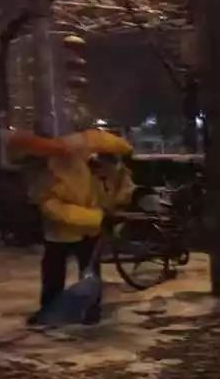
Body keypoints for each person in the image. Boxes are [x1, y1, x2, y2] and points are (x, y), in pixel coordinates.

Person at [13, 129, 133, 325]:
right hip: (61, 233)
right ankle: (50, 311)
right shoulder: (43, 178)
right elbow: (53, 208)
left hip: (88, 230)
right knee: (54, 273)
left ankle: (90, 310)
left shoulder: (83, 159)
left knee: (89, 271)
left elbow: (115, 151)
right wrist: (96, 217)